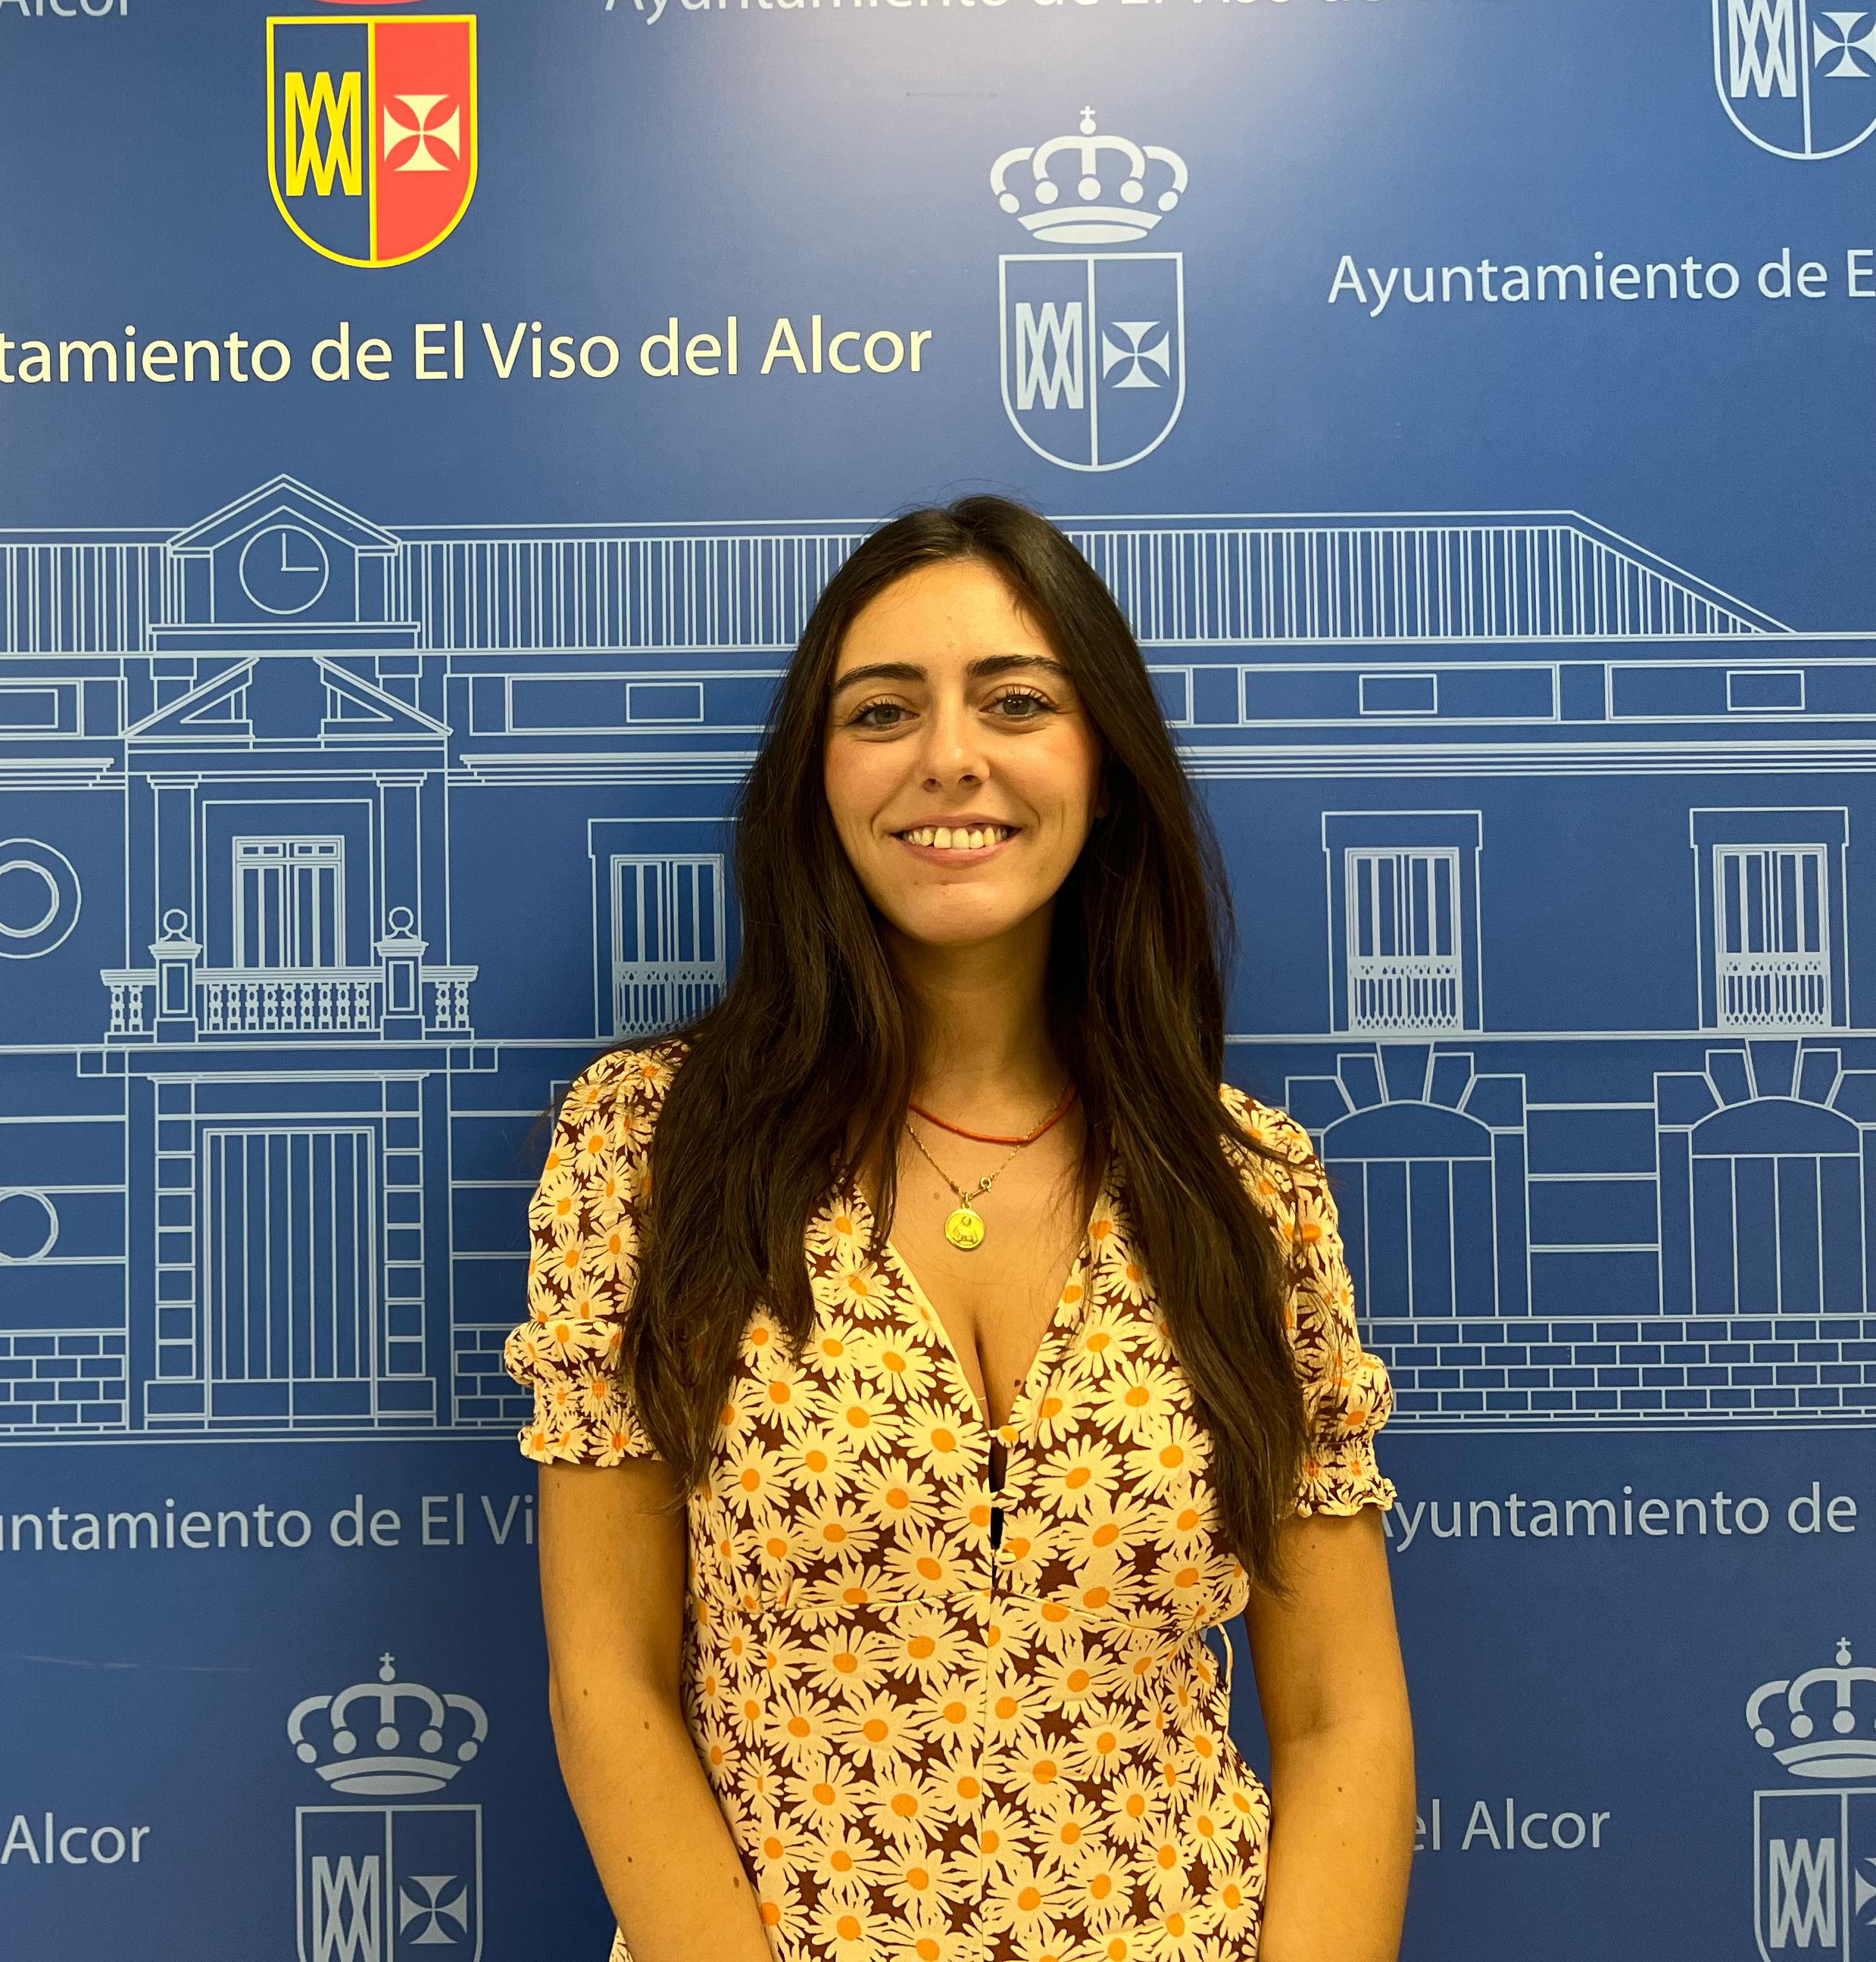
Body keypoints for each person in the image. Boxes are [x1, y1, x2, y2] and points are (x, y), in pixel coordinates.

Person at [507, 495, 1413, 1962]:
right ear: (815, 781)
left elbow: (1338, 1713)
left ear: (1104, 767)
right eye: (882, 711)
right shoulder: (650, 1148)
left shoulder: (1249, 1184)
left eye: (1017, 702)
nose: (950, 757)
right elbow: (607, 1681)